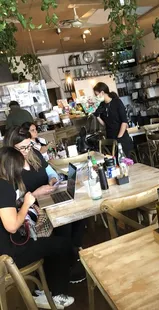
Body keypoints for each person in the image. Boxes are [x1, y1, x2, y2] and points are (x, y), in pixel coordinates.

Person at [4, 127, 86, 284]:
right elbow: (14, 203)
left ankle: (73, 252)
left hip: (50, 199)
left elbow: (51, 172)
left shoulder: (35, 155)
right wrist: (35, 194)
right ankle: (68, 261)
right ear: (11, 148)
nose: (27, 151)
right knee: (65, 223)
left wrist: (53, 180)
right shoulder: (11, 167)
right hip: (34, 211)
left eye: (29, 145)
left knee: (80, 215)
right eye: (22, 148)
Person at [0, 146, 75, 308]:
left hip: (6, 249)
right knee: (61, 244)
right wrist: (27, 204)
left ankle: (46, 288)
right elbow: (12, 226)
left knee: (50, 242)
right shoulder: (4, 186)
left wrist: (23, 203)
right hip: (7, 256)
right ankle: (56, 295)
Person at [93, 82, 133, 157]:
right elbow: (105, 124)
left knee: (125, 162)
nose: (96, 97)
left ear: (102, 92)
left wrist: (119, 138)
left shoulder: (117, 102)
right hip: (110, 138)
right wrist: (97, 116)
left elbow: (124, 122)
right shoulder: (102, 105)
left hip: (121, 138)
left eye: (96, 94)